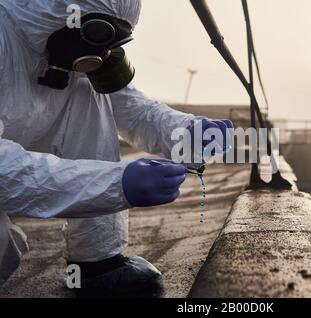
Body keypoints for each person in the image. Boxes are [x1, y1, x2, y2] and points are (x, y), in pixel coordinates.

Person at [0, 0, 233, 296]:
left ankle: (98, 261)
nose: (102, 53)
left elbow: (132, 109)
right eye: (98, 34)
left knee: (93, 94)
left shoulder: (66, 46)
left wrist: (188, 132)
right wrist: (116, 184)